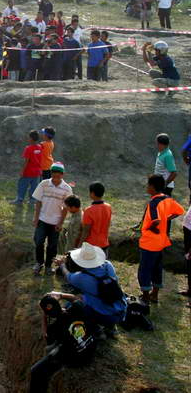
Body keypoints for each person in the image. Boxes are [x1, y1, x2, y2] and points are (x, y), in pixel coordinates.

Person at [28, 292, 96, 393]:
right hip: (91, 347)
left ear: (48, 314)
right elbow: (75, 298)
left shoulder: (54, 328)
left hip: (77, 359)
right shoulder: (76, 308)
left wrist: (44, 316)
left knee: (36, 371)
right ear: (58, 302)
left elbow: (45, 335)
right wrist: (60, 295)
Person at [136, 174, 184, 304]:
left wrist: (152, 228)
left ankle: (145, 296)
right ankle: (155, 295)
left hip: (149, 242)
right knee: (157, 268)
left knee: (144, 269)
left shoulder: (153, 202)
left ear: (152, 187)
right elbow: (180, 211)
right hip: (161, 241)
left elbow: (155, 220)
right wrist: (167, 218)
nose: (147, 187)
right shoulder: (167, 199)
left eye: (148, 185)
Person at [56, 243, 127, 331]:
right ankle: (110, 326)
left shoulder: (81, 277)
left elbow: (68, 276)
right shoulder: (108, 265)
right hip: (122, 310)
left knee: (75, 303)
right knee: (94, 298)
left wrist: (62, 265)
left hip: (108, 317)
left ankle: (96, 328)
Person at [32, 162, 73, 276]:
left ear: (63, 175)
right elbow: (38, 201)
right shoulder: (44, 184)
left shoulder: (67, 189)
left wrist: (60, 223)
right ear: (51, 173)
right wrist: (36, 218)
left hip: (55, 222)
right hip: (42, 219)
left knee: (52, 245)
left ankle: (48, 266)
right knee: (39, 241)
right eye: (54, 175)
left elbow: (65, 208)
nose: (56, 178)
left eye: (58, 176)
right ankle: (39, 263)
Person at [78, 182, 112, 254]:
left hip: (92, 245)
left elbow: (86, 231)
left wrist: (80, 245)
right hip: (104, 243)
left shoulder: (89, 210)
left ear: (92, 193)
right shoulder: (108, 207)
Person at [12, 130, 43, 205]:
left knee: (22, 185)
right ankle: (32, 200)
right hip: (37, 172)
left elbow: (26, 161)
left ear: (31, 139)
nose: (27, 139)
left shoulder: (28, 148)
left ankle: (19, 199)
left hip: (28, 172)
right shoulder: (40, 147)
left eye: (28, 137)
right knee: (34, 187)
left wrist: (22, 171)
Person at [153, 133, 177, 197]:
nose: (156, 145)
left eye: (157, 143)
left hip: (165, 188)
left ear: (162, 144)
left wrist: (165, 184)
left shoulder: (167, 155)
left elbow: (174, 173)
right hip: (159, 185)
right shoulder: (161, 152)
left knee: (163, 205)